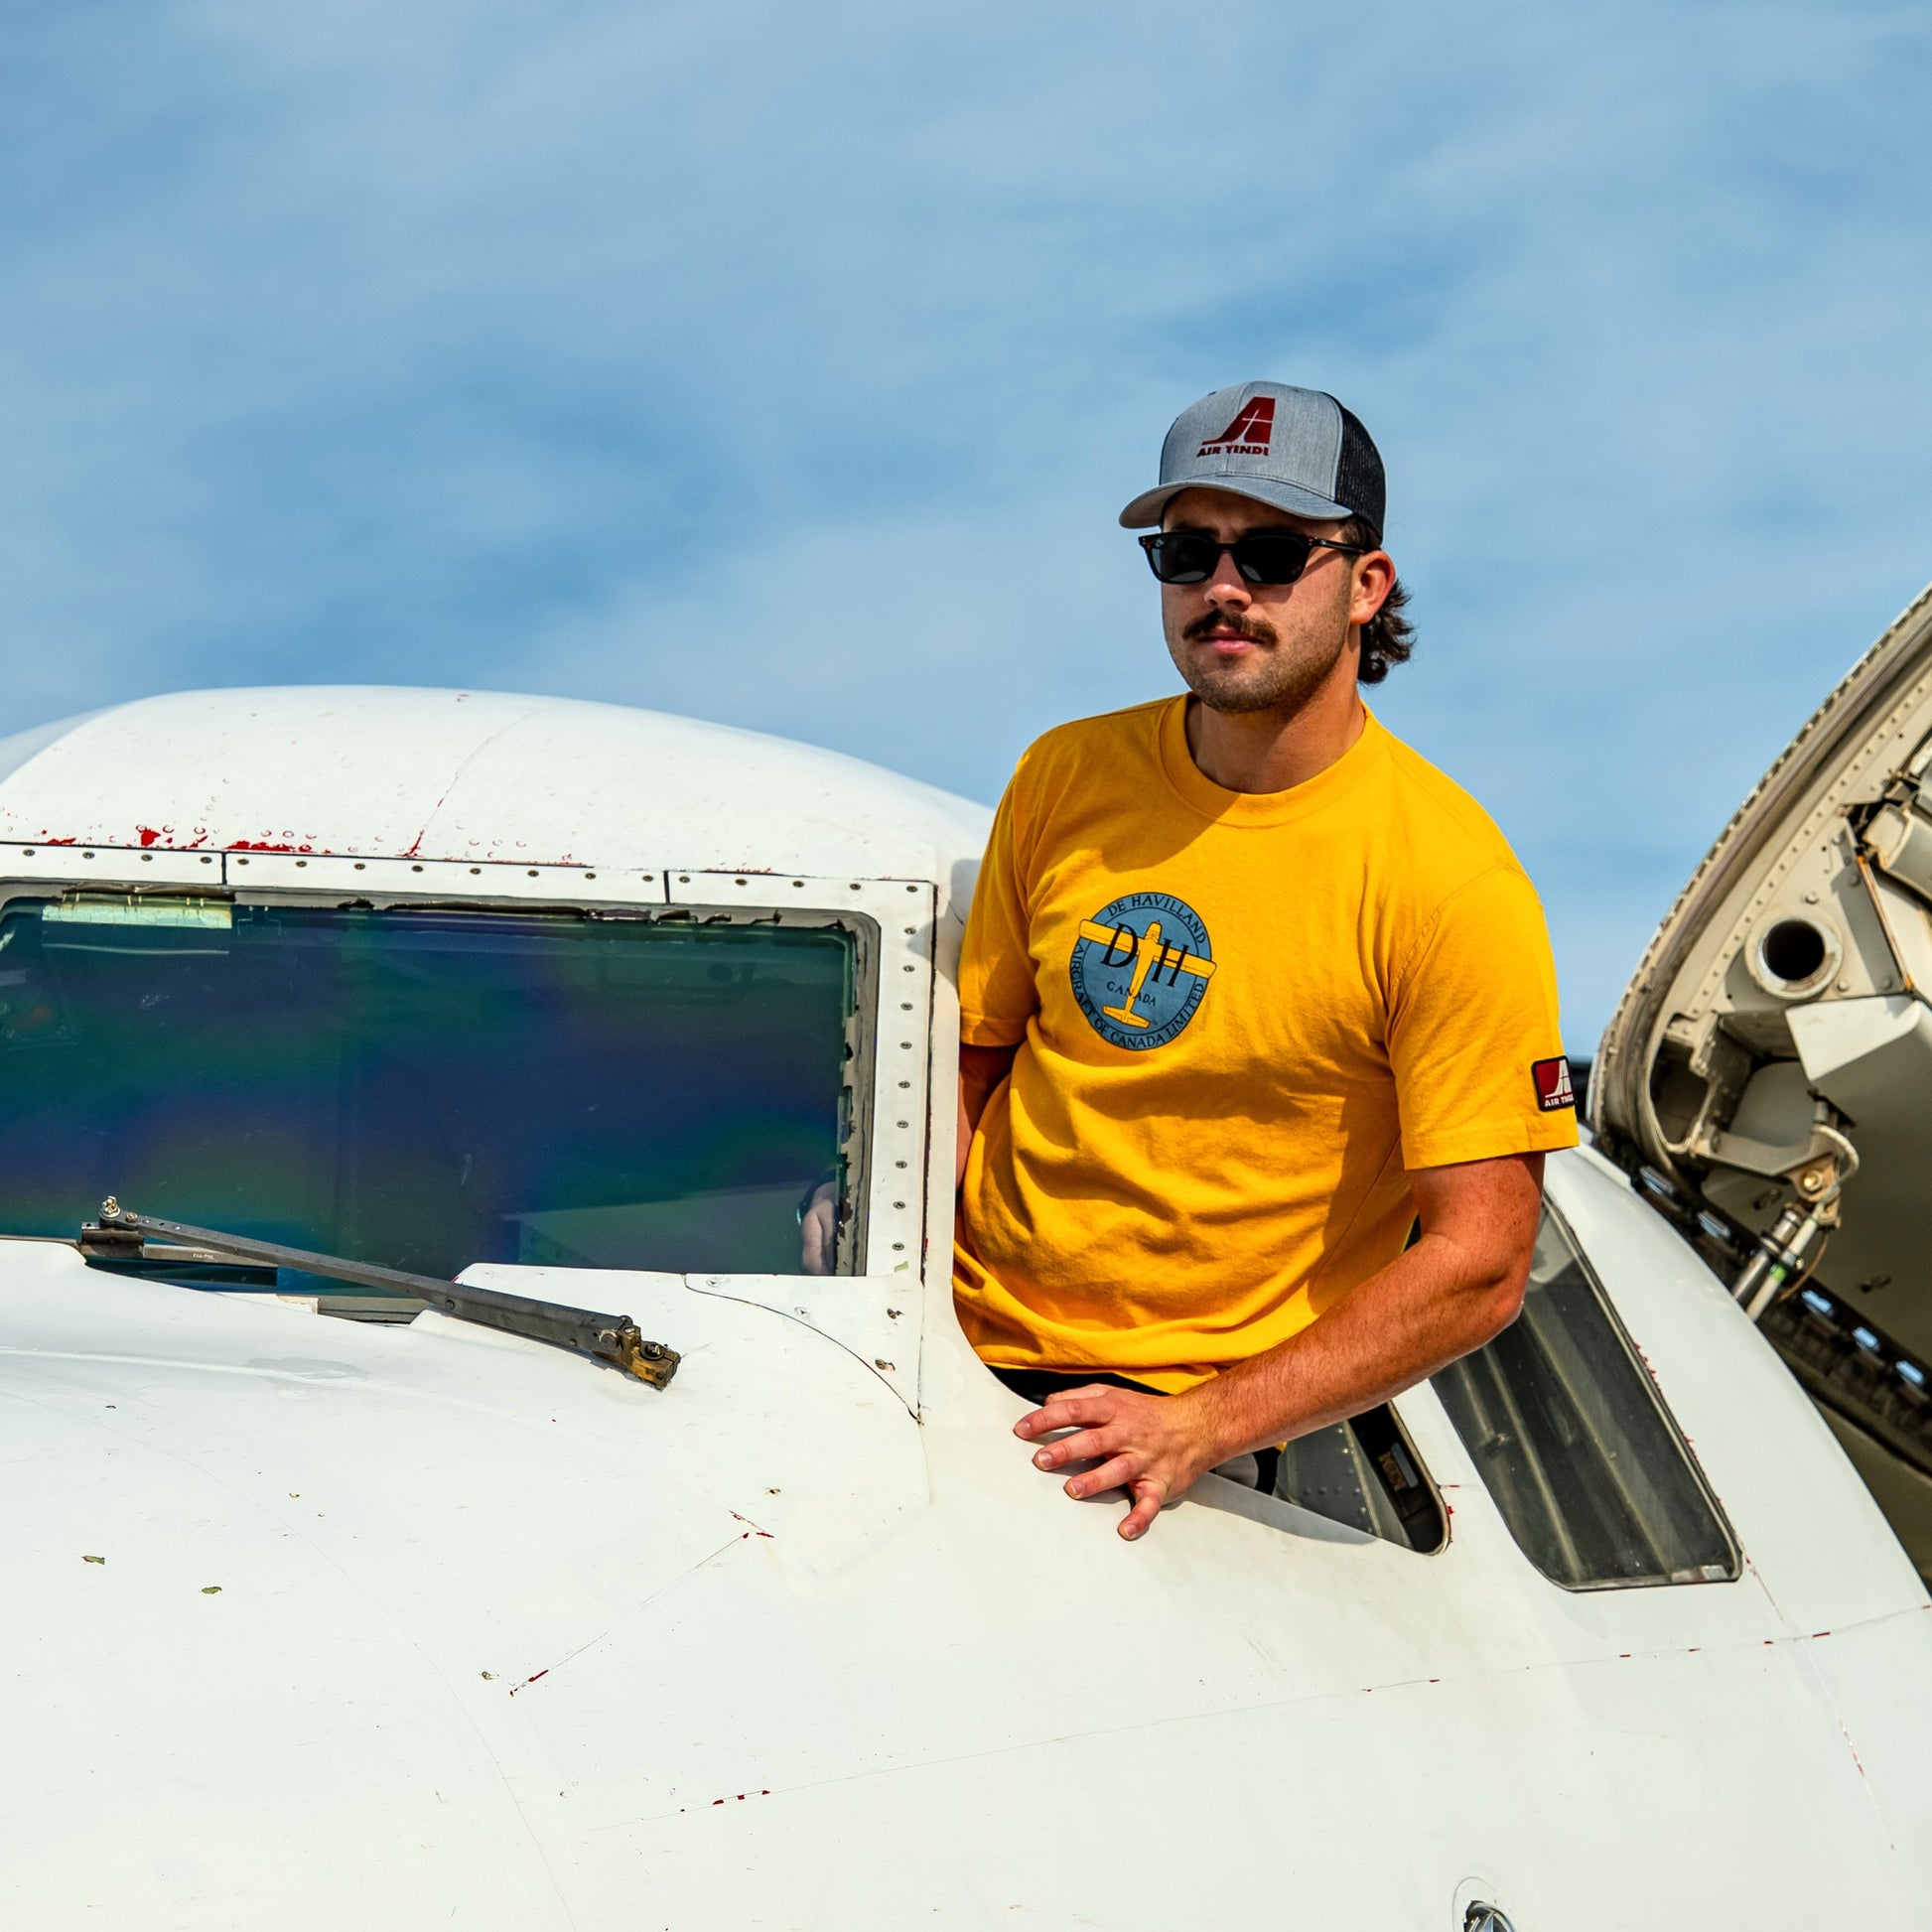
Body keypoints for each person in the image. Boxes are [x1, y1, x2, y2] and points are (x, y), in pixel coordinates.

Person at [952, 381, 1580, 1541]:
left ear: (1365, 586)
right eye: (1187, 551)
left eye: (1274, 551)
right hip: (948, 1364)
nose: (1224, 588)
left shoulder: (1447, 881)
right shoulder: (1062, 776)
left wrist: (1201, 1423)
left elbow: (1481, 1259)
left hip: (1203, 1452)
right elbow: (972, 1060)